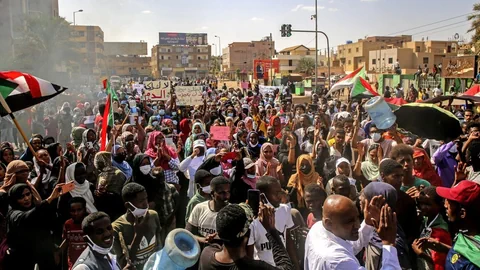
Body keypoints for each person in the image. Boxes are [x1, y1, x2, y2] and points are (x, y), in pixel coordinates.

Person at [305, 194, 401, 269]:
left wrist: (368, 223)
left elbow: (351, 247)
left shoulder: (318, 228)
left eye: (357, 218)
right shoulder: (337, 261)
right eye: (349, 221)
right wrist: (388, 244)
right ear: (329, 223)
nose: (358, 225)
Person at [198, 203, 294, 270]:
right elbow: (286, 267)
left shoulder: (206, 255)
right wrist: (271, 230)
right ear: (247, 235)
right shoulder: (255, 267)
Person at [5, 183, 65, 269]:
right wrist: (49, 199)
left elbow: (46, 233)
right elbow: (26, 218)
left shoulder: (37, 210)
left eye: (28, 194)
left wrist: (54, 251)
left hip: (43, 259)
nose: (26, 198)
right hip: (23, 261)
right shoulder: (13, 214)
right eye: (21, 197)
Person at [247, 176, 298, 269]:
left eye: (280, 192)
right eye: (276, 193)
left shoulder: (285, 210)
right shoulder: (252, 220)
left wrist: (296, 265)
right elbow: (249, 254)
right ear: (263, 196)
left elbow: (289, 241)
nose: (280, 196)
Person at [112, 183, 162, 270]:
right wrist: (138, 236)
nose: (146, 204)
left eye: (146, 198)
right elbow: (124, 264)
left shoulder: (153, 215)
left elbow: (159, 246)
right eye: (141, 201)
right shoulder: (117, 228)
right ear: (128, 205)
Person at [434, 181, 480, 269]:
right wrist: (447, 249)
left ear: (462, 213)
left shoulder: (474, 263)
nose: (445, 205)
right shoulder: (467, 232)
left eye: (450, 202)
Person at [411, 186, 451, 270]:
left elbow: (440, 264)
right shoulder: (426, 220)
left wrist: (421, 253)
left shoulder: (440, 232)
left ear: (439, 205)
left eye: (427, 204)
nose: (422, 207)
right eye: (420, 203)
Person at [186, 176, 230, 245]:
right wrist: (203, 239)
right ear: (212, 194)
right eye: (221, 193)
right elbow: (188, 234)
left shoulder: (231, 212)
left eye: (228, 192)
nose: (226, 196)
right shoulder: (200, 208)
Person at [62, 197, 89, 270]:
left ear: (84, 209)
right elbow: (66, 240)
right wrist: (58, 252)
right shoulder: (68, 224)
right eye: (73, 211)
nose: (76, 213)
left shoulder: (90, 223)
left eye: (79, 210)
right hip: (73, 264)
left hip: (88, 263)